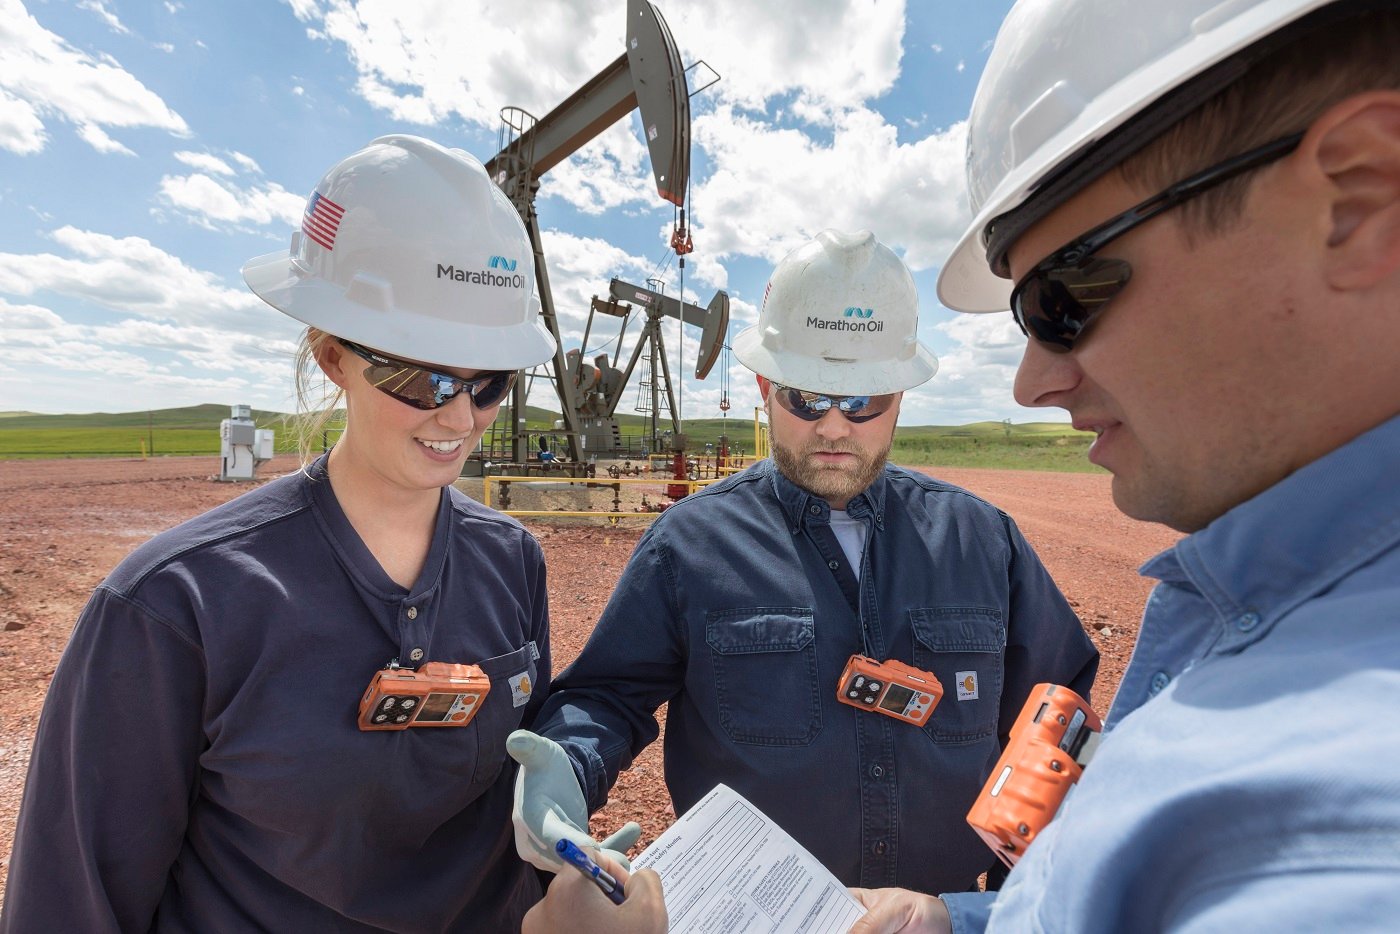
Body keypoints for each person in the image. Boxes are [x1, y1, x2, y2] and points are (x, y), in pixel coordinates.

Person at [846, 0, 1400, 931]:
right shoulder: (1260, 606)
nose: (1031, 384)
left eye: (1061, 297)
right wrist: (954, 921)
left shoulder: (1336, 856)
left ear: (1359, 198)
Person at [0, 135, 565, 931]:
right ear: (332, 355)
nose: (458, 416)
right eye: (422, 376)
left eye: (489, 383)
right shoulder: (176, 605)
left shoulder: (512, 563)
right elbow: (75, 900)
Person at [509, 229, 1099, 901]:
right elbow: (606, 696)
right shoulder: (690, 546)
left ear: (901, 395)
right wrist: (567, 761)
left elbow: (1057, 718)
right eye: (808, 399)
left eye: (864, 402)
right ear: (765, 384)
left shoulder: (983, 542)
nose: (835, 426)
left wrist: (1009, 894)